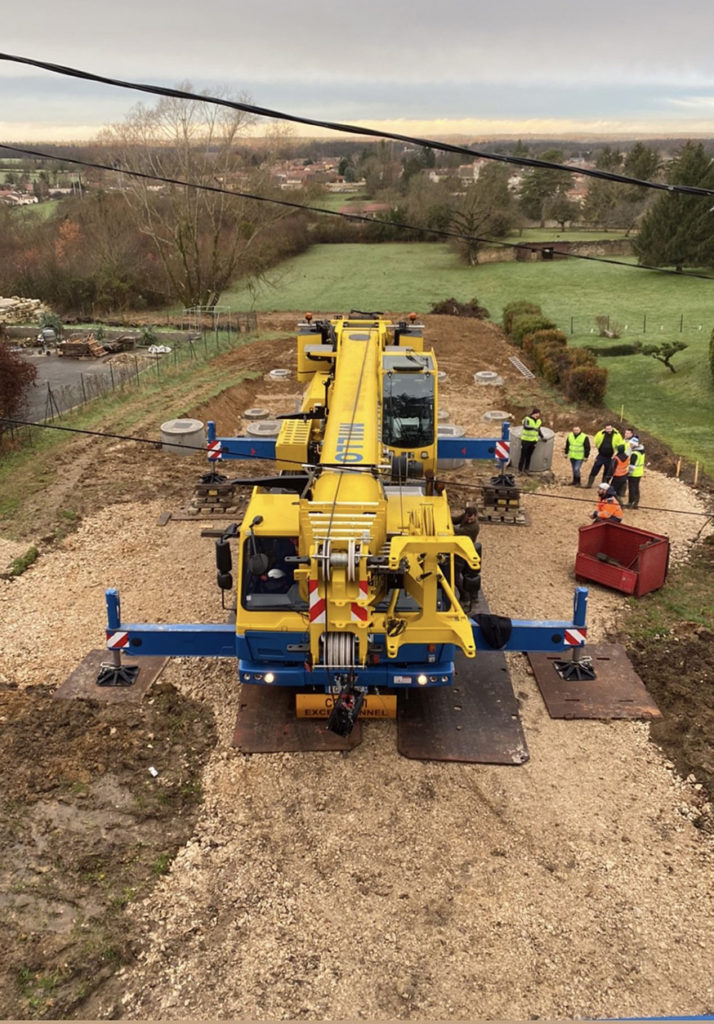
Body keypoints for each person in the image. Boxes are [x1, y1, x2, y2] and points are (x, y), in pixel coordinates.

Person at [518, 407, 545, 473]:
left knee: (529, 456)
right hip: (526, 440)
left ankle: (527, 469)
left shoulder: (539, 421)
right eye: (537, 414)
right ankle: (520, 470)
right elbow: (526, 426)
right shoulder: (527, 419)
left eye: (538, 414)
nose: (538, 415)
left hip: (533, 441)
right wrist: (533, 428)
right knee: (523, 455)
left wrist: (542, 437)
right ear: (534, 413)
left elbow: (538, 429)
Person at [627, 443, 645, 509]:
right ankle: (636, 502)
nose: (630, 445)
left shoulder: (634, 454)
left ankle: (631, 503)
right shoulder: (641, 451)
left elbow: (632, 466)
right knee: (636, 488)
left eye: (631, 444)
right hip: (639, 473)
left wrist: (628, 473)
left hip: (633, 474)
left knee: (632, 488)